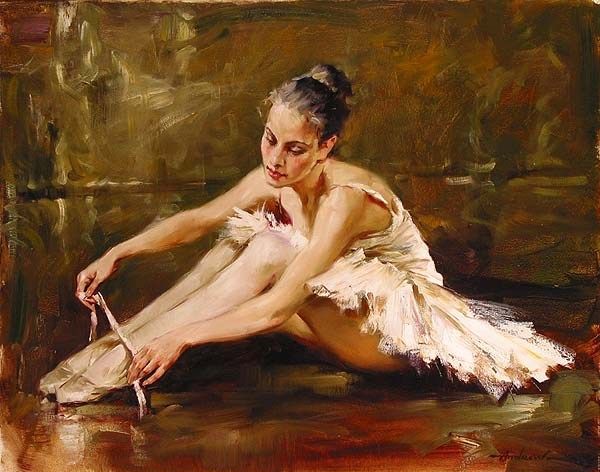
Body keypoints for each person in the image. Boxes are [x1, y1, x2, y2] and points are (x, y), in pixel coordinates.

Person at [39, 64, 574, 404]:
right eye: (269, 139)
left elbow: (277, 307)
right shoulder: (276, 176)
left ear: (326, 147)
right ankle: (110, 353)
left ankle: (112, 365)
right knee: (230, 245)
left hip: (391, 336)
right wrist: (118, 253)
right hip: (328, 324)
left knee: (269, 247)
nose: (275, 159)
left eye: (295, 149)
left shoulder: (347, 200)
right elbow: (198, 220)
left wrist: (181, 338)